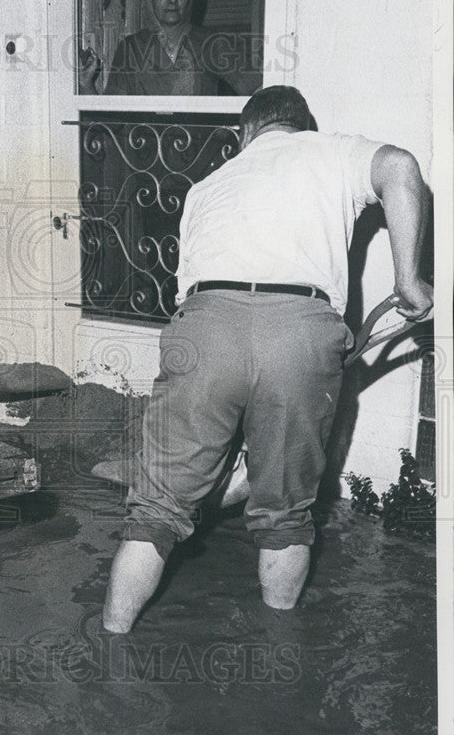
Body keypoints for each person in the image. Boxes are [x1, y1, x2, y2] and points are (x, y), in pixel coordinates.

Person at [102, 86, 433, 633]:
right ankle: (279, 664)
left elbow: (187, 296)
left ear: (246, 134)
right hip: (299, 330)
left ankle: (110, 643)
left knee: (157, 512)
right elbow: (400, 166)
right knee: (285, 518)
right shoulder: (329, 150)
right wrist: (409, 278)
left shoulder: (207, 186)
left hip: (205, 323)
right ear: (301, 126)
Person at [79, 0, 259, 97]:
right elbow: (111, 119)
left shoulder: (213, 43)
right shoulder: (131, 47)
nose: (172, 0)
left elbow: (256, 91)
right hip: (143, 143)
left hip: (202, 145)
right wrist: (87, 85)